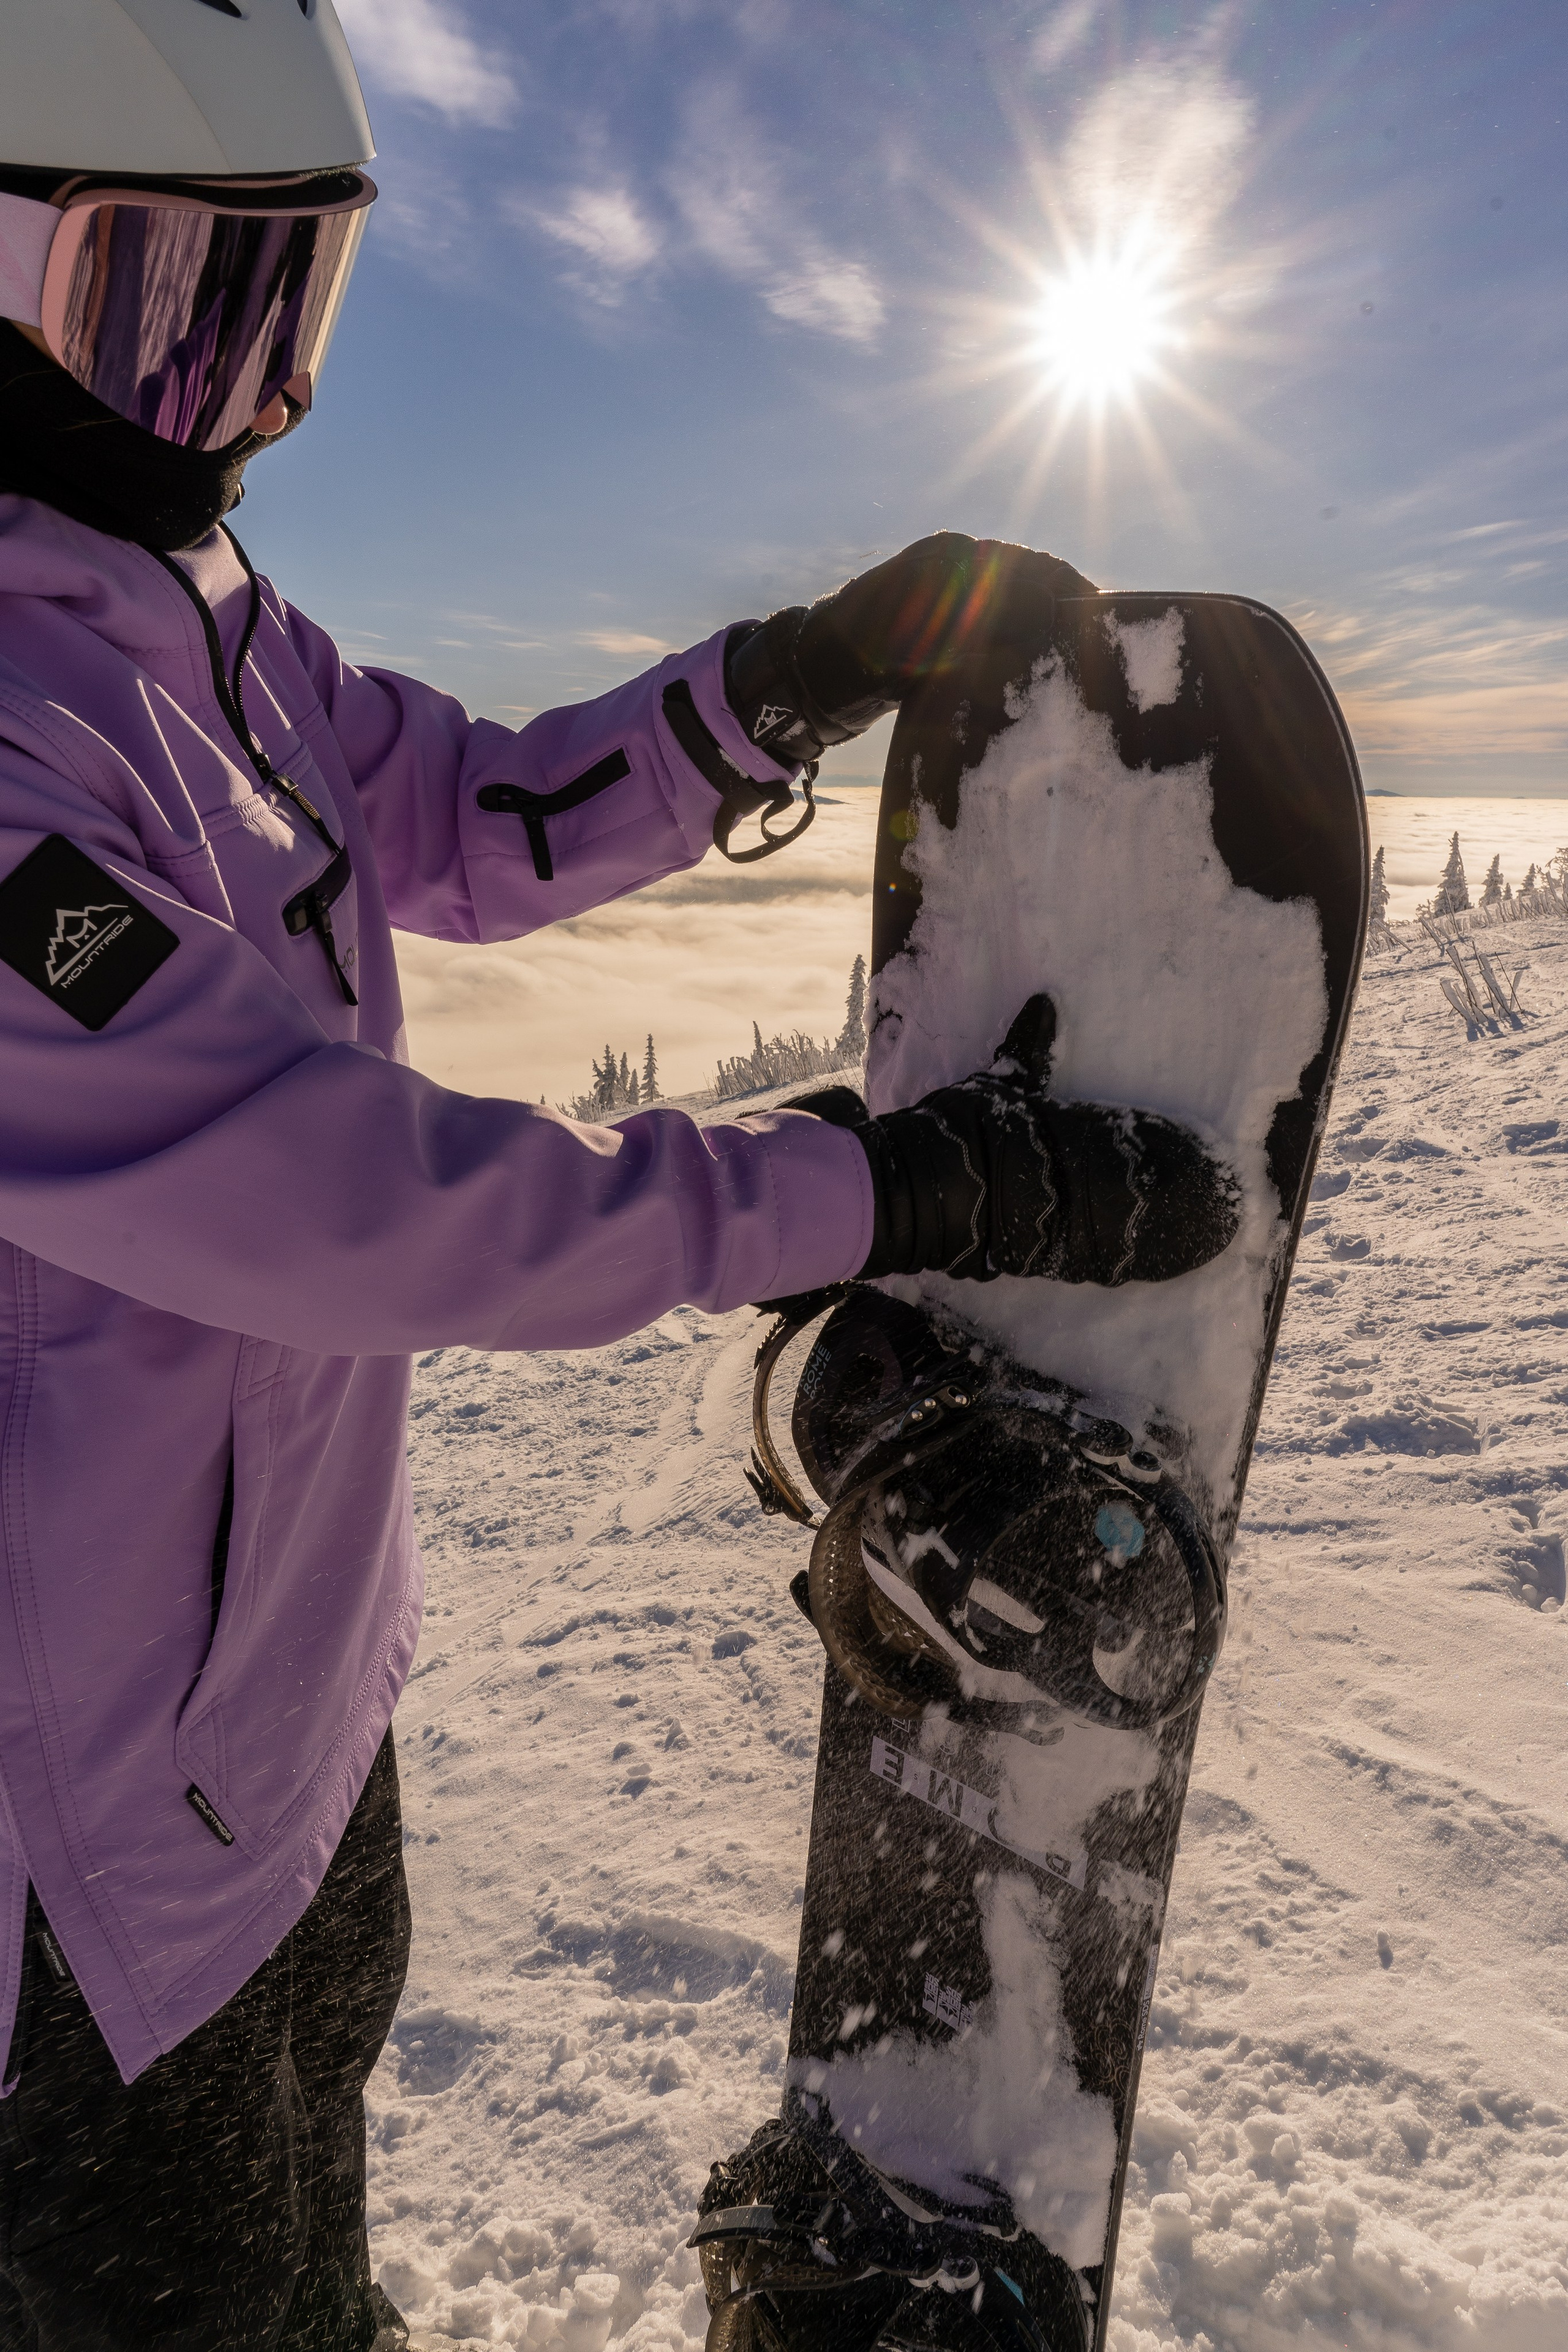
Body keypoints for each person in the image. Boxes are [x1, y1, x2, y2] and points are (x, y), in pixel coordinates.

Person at [0, 7, 1238, 2346]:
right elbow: (334, 1193)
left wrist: (802, 671)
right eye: (172, 311)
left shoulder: (217, 633)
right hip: (65, 1851)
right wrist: (869, 1190)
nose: (254, 402)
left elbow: (479, 809)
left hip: (289, 1715)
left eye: (297, 310)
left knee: (303, 2246)